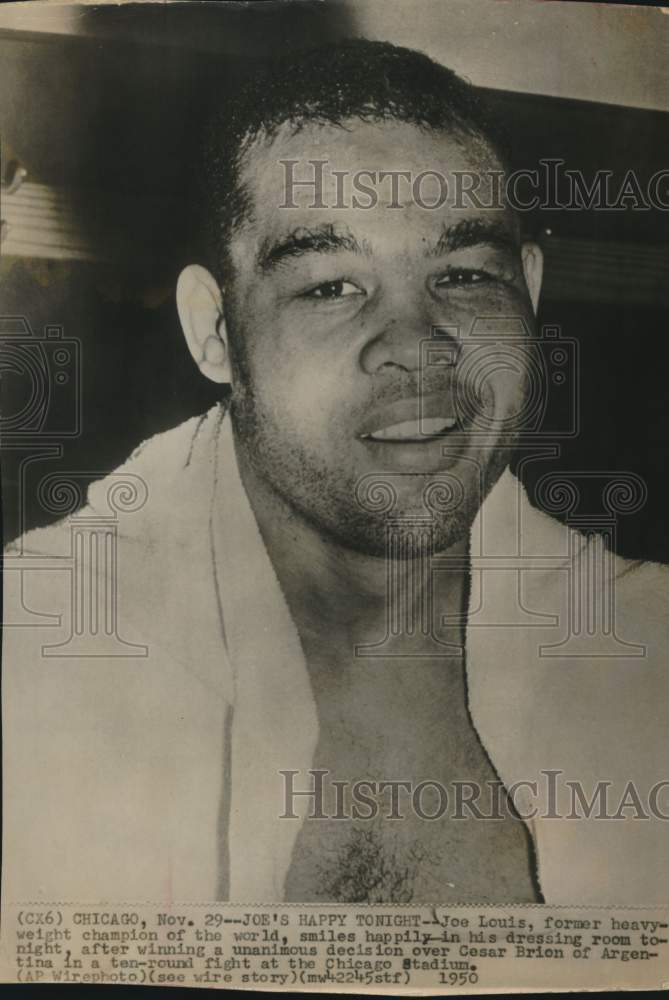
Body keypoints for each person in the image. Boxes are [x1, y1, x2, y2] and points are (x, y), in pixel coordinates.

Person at [3, 39, 667, 906]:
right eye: (329, 287)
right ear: (214, 332)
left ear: (529, 295)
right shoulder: (31, 658)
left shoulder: (647, 649)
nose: (419, 347)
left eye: (464, 274)